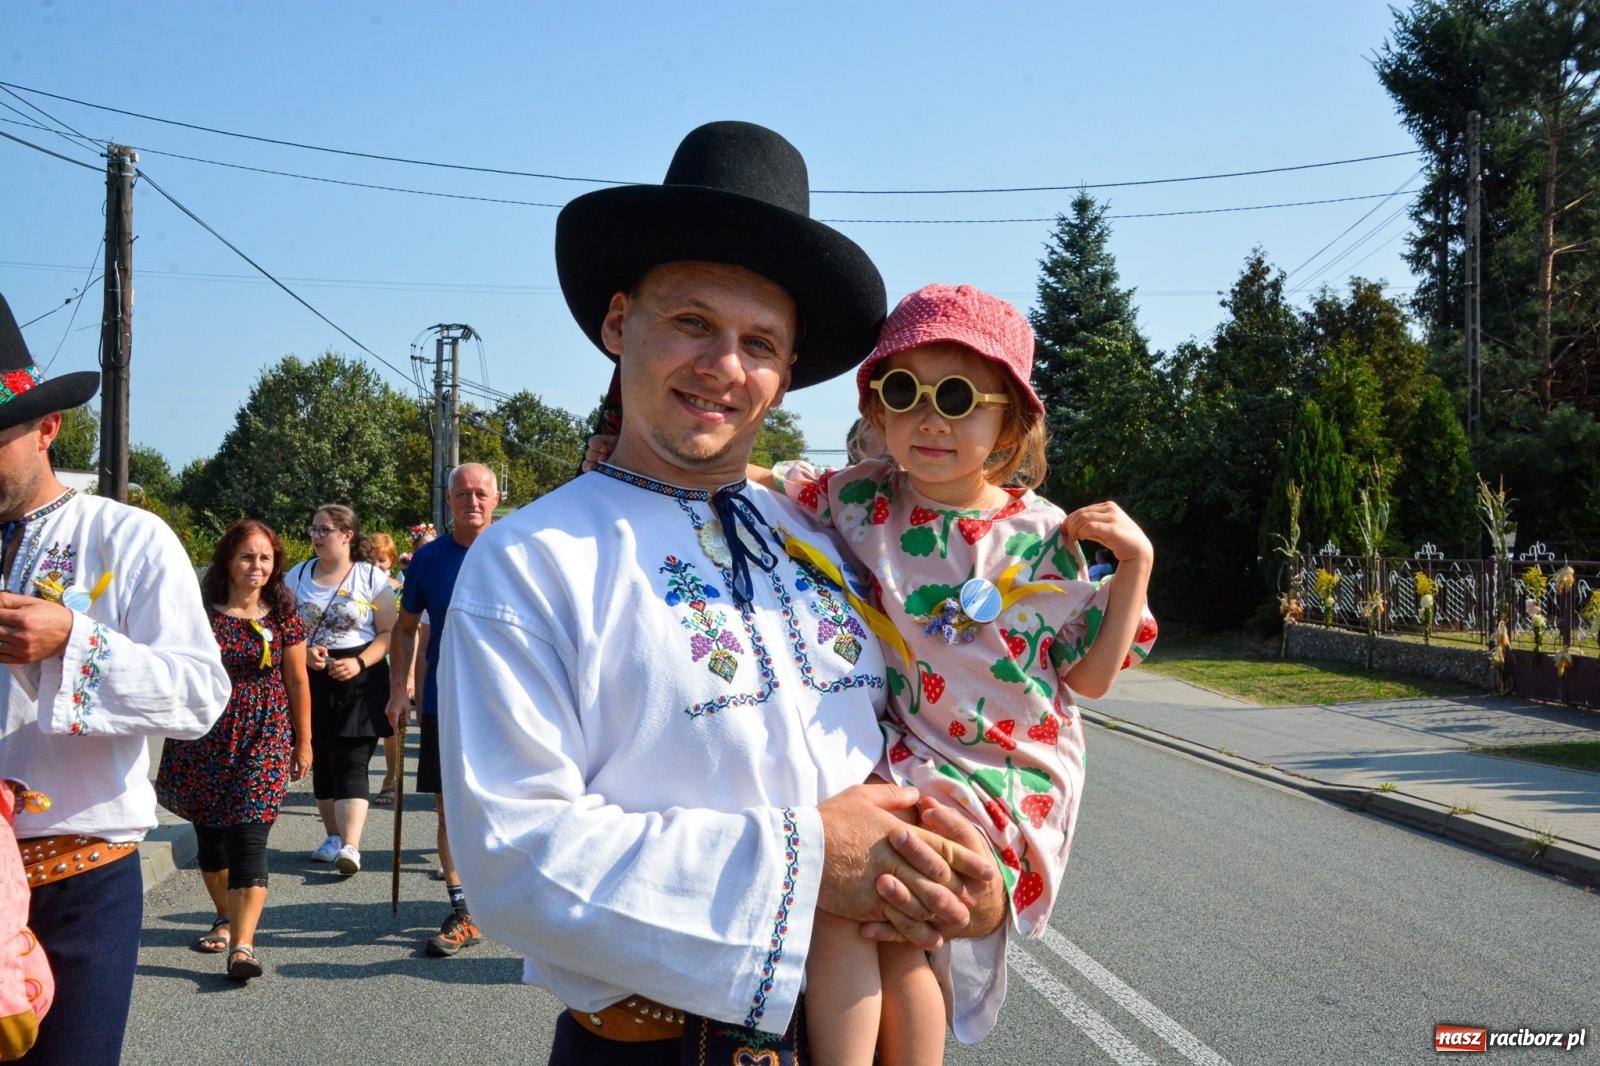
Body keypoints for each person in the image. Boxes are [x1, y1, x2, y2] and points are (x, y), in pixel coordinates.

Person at [440, 122, 1003, 1066]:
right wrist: (812, 860)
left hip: (858, 1027)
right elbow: (514, 859)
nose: (724, 367)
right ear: (621, 322)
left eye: (760, 342)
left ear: (786, 375)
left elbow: (927, 730)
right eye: (693, 322)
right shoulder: (531, 560)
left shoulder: (821, 540)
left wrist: (969, 881)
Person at [760, 283, 1158, 1061]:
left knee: (857, 901)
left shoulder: (1039, 538)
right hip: (911, 758)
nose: (930, 418)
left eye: (959, 397)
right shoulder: (863, 499)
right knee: (881, 919)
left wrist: (1136, 566)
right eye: (904, 391)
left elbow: (1095, 679)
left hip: (1009, 775)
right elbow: (758, 488)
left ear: (1009, 422)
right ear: (876, 409)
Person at [0, 292, 230, 1064]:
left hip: (78, 880)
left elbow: (200, 696)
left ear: (48, 427)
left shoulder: (127, 537)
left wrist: (75, 641)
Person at [156, 519, 312, 980]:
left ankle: (243, 946)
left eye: (265, 558)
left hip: (264, 731)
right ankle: (225, 916)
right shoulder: (200, 615)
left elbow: (298, 680)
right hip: (204, 732)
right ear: (227, 560)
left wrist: (303, 741)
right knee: (211, 836)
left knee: (249, 834)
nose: (256, 566)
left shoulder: (283, 615)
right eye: (247, 556)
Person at [385, 463, 499, 957]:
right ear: (448, 501)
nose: (472, 501)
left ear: (496, 498)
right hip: (444, 702)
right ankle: (462, 906)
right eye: (462, 494)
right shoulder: (428, 559)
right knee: (450, 805)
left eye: (481, 493)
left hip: (507, 704)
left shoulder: (518, 550)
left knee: (508, 802)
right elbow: (405, 627)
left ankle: (509, 899)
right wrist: (397, 690)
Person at [288, 504, 395, 876]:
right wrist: (304, 653)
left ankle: (351, 845)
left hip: (360, 677)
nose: (317, 536)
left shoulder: (369, 577)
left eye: (325, 530)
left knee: (352, 759)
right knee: (323, 757)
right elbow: (284, 626)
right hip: (312, 676)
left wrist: (361, 661)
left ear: (347, 535)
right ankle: (332, 837)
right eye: (314, 529)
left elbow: (388, 632)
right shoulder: (298, 575)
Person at [367, 532, 404, 808]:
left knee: (391, 727)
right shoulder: (358, 586)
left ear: (391, 561)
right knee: (367, 724)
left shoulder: (401, 588)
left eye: (381, 560)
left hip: (395, 660)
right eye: (371, 559)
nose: (376, 565)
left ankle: (391, 777)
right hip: (368, 659)